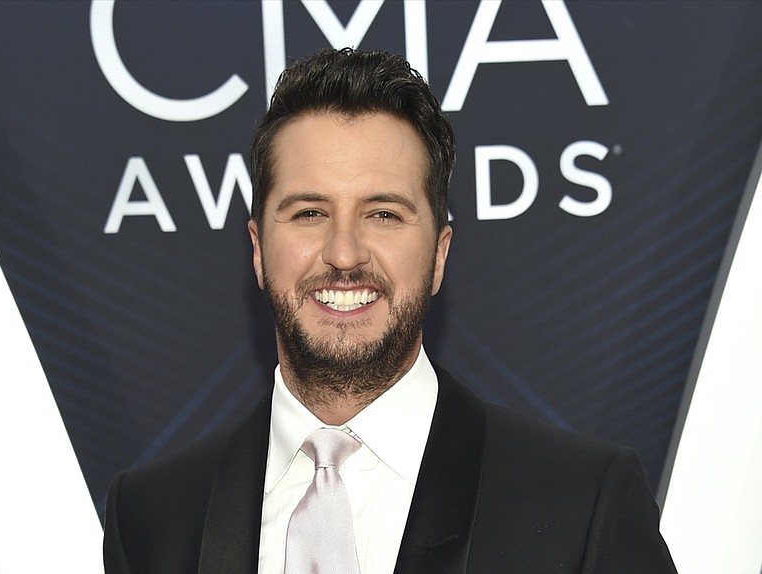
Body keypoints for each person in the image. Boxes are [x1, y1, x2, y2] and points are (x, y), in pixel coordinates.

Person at [103, 48, 677, 574]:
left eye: (383, 214)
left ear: (439, 256)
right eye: (308, 213)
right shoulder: (153, 519)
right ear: (257, 249)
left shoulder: (581, 505)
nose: (344, 253)